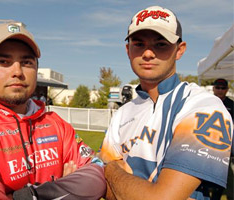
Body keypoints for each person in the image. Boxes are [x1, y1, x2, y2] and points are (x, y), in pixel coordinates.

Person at [0, 22, 105, 199]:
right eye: (3, 61)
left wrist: (29, 196)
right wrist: (69, 189)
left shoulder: (56, 124)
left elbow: (97, 173)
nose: (17, 71)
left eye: (26, 62)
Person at [99, 6, 233, 200]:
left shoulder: (205, 107)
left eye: (160, 44)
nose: (148, 53)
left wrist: (112, 172)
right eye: (138, 43)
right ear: (128, 50)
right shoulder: (122, 113)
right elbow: (99, 185)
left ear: (180, 50)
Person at [211, 78, 234, 200]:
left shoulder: (232, 105)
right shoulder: (205, 102)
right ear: (213, 88)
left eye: (222, 88)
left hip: (225, 149)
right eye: (217, 87)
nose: (220, 90)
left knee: (227, 177)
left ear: (227, 90)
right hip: (207, 146)